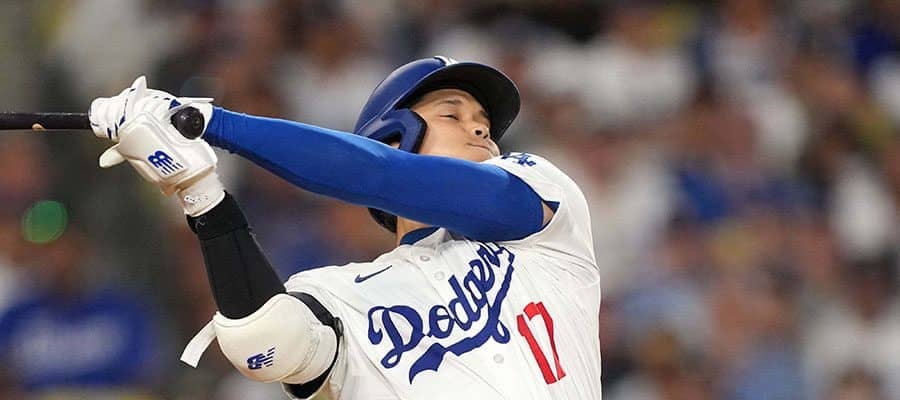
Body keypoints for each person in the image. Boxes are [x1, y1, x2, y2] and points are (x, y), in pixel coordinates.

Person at [88, 56, 601, 399]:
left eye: (483, 120)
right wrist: (200, 192)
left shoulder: (544, 201)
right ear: (396, 136)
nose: (481, 127)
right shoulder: (341, 291)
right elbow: (264, 343)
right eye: (453, 114)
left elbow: (380, 174)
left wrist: (211, 123)